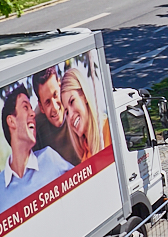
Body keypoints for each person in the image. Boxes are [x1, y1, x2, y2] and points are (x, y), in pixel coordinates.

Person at [2, 86, 72, 215]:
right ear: (11, 121)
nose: (33, 114)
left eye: (31, 108)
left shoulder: (50, 158)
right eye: (25, 107)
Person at [59, 67, 110, 162]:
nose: (70, 116)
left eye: (72, 101)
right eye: (67, 112)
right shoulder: (85, 159)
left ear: (84, 96)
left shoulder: (109, 128)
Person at [32, 67, 79, 166]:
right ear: (41, 106)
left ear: (60, 86)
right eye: (47, 102)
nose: (55, 108)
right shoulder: (35, 127)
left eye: (55, 95)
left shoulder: (75, 101)